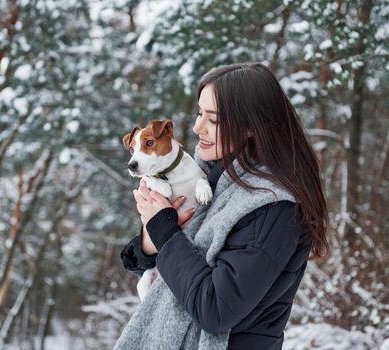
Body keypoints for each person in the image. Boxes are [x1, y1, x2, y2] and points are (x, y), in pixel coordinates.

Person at [117, 63, 329, 350]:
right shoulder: (211, 176)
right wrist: (150, 240)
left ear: (252, 126)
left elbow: (216, 309)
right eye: (199, 113)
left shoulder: (273, 207)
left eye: (213, 120)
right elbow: (172, 256)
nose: (196, 127)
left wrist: (165, 232)